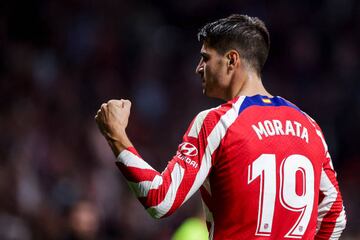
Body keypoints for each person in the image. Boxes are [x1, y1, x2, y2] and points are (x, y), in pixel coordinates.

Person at [95, 14, 346, 239]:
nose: (198, 68)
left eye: (205, 57)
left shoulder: (219, 122)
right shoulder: (309, 126)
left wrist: (116, 135)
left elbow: (160, 199)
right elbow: (335, 217)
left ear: (231, 60)